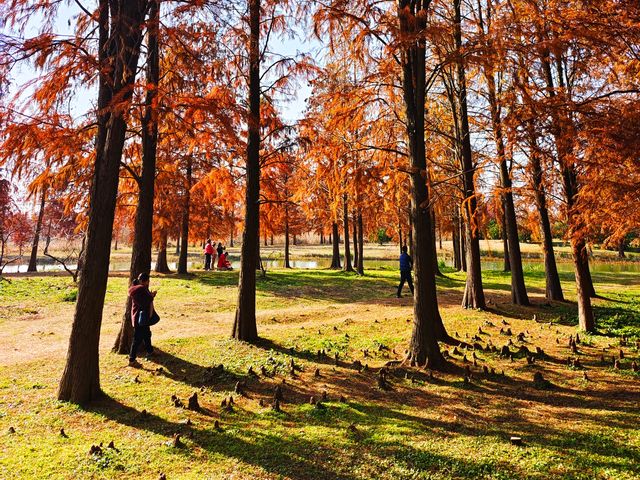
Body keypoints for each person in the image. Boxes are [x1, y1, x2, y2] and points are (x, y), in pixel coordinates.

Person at [128, 272, 159, 368]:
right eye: (147, 281)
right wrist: (152, 296)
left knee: (147, 334)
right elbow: (144, 302)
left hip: (140, 317)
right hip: (140, 318)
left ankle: (150, 351)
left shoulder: (135, 288)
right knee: (137, 339)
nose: (148, 283)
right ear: (144, 281)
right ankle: (132, 360)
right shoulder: (140, 289)